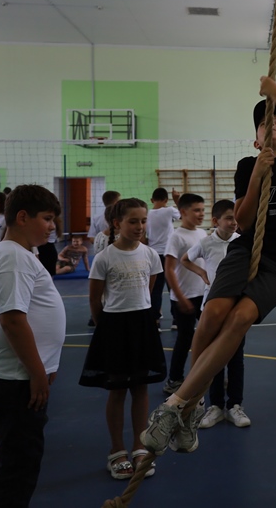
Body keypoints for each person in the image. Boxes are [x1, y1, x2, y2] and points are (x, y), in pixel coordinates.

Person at [140, 77, 276, 456]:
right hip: (247, 249)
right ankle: (192, 407)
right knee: (214, 313)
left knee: (240, 318)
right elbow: (244, 222)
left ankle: (177, 406)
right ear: (255, 140)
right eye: (265, 125)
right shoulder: (247, 165)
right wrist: (257, 177)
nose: (273, 127)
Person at [0, 185, 65, 508]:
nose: (52, 226)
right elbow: (13, 320)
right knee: (17, 463)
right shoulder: (13, 257)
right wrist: (37, 373)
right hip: (13, 377)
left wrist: (45, 365)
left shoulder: (21, 253)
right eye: (47, 218)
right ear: (23, 217)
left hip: (17, 373)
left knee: (16, 457)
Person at [78, 198, 166, 480]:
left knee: (140, 388)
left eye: (143, 221)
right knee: (117, 390)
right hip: (114, 325)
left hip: (142, 325)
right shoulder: (104, 258)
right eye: (133, 221)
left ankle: (140, 447)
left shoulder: (150, 255)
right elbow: (95, 299)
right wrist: (106, 329)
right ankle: (117, 451)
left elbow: (149, 289)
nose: (140, 226)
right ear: (117, 223)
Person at [179, 200, 251, 429]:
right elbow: (185, 259)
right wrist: (202, 273)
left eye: (236, 218)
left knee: (235, 358)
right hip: (211, 308)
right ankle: (216, 406)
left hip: (235, 309)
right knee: (213, 359)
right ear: (216, 221)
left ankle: (235, 405)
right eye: (229, 218)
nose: (234, 222)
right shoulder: (206, 243)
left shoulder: (242, 242)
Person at [162, 193, 207, 394]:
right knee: (185, 339)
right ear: (183, 212)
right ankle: (174, 379)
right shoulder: (176, 237)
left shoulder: (203, 234)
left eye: (203, 210)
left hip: (204, 295)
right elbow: (169, 270)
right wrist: (180, 297)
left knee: (210, 336)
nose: (201, 214)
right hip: (185, 297)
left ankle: (207, 374)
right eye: (196, 210)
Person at [145, 187, 180, 328]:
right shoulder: (170, 210)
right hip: (169, 254)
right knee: (173, 287)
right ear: (166, 200)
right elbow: (184, 214)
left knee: (155, 289)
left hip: (153, 254)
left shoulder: (147, 214)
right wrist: (177, 200)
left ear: (151, 200)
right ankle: (176, 320)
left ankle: (155, 321)